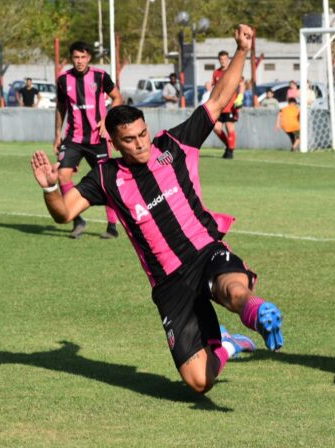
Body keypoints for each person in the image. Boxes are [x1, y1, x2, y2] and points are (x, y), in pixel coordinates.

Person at [30, 24, 284, 394]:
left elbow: (217, 99)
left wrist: (242, 50)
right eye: (129, 140)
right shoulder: (106, 176)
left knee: (232, 290)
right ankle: (227, 344)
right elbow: (64, 212)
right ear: (114, 143)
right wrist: (53, 186)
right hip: (169, 282)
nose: (140, 144)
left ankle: (258, 312)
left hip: (206, 251)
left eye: (143, 134)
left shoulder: (174, 145)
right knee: (199, 382)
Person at [54, 41, 123, 239]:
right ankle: (77, 219)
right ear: (71, 59)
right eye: (76, 57)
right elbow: (60, 107)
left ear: (89, 58)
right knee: (62, 175)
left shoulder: (100, 76)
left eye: (83, 57)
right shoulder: (63, 80)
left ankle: (112, 226)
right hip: (74, 138)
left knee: (106, 180)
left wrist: (106, 120)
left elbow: (117, 98)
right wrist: (57, 134)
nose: (79, 61)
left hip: (97, 138)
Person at [211, 50, 242, 159]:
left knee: (230, 129)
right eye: (221, 59)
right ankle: (229, 147)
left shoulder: (232, 70)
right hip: (220, 106)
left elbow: (242, 83)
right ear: (219, 60)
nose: (223, 61)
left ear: (228, 59)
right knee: (216, 128)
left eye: (225, 59)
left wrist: (240, 97)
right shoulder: (216, 73)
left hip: (230, 106)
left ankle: (230, 152)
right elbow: (214, 88)